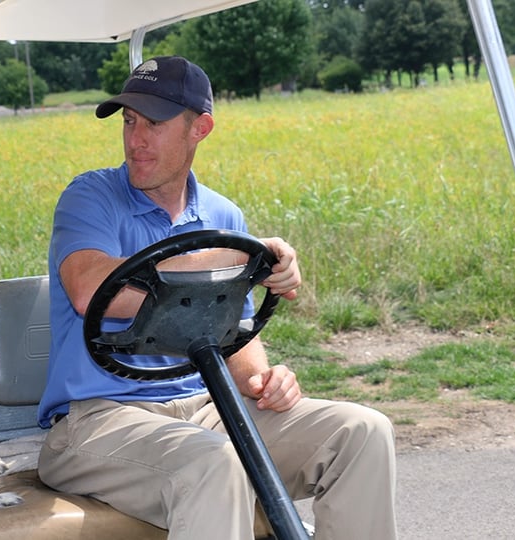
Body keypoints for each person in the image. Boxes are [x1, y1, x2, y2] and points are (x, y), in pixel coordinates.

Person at [36, 56, 398, 540]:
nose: (135, 139)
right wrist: (228, 257)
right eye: (129, 121)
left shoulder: (222, 214)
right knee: (214, 463)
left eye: (155, 124)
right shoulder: (91, 196)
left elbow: (230, 337)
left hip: (207, 408)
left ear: (199, 128)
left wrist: (267, 381)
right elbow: (91, 291)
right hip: (100, 418)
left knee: (362, 432)